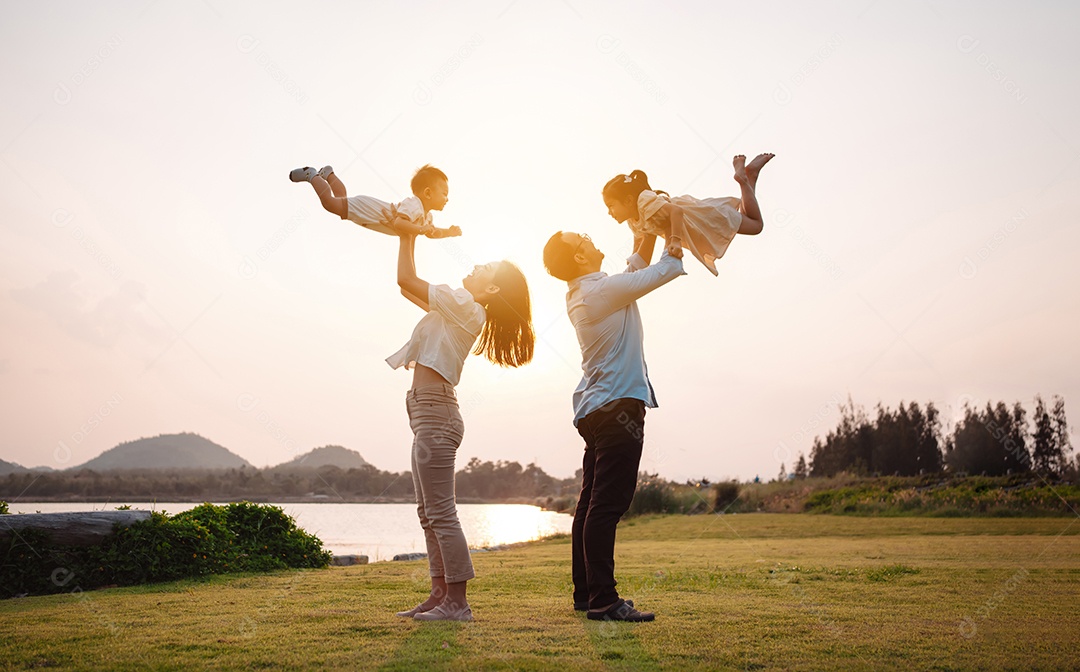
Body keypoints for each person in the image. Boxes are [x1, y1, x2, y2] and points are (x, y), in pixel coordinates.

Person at [389, 224, 535, 622]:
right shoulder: (456, 308)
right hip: (425, 410)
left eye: (485, 267)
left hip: (436, 412)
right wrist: (407, 233)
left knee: (441, 511)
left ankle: (458, 603)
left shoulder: (467, 306)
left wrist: (406, 234)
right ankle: (439, 597)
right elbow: (406, 287)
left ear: (490, 291)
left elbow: (406, 278)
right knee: (428, 512)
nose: (474, 264)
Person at [542, 230, 685, 622]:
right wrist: (673, 238)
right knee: (606, 506)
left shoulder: (589, 291)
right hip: (617, 406)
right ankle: (604, 600)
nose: (590, 237)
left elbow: (635, 268)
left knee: (590, 505)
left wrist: (648, 232)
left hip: (597, 409)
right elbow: (660, 272)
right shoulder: (599, 292)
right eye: (582, 237)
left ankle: (587, 594)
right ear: (578, 255)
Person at [602, 153, 773, 275]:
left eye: (611, 206)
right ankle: (749, 177)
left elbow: (676, 211)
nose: (610, 213)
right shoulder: (634, 220)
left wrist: (675, 240)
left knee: (756, 225)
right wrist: (629, 271)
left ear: (628, 200)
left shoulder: (644, 202)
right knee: (747, 217)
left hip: (701, 219)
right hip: (696, 223)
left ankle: (746, 179)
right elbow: (640, 251)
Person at [289, 163, 462, 238]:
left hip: (368, 215)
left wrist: (448, 232)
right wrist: (420, 229)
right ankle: (311, 174)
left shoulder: (426, 217)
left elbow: (431, 233)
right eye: (444, 193)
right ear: (428, 193)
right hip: (370, 209)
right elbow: (399, 224)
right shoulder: (414, 204)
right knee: (330, 203)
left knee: (341, 201)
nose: (447, 198)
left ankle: (329, 174)